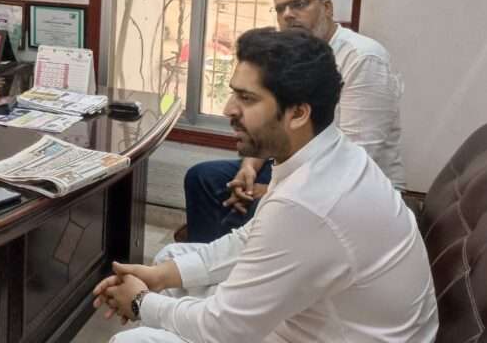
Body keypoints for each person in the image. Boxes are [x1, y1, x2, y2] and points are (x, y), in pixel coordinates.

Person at [93, 28, 437, 342]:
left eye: (247, 98)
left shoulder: (308, 203)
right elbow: (251, 239)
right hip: (323, 321)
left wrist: (140, 302)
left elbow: (223, 329)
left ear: (298, 114)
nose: (228, 109)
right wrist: (161, 277)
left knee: (132, 341)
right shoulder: (329, 153)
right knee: (170, 261)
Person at [181, 0, 405, 243]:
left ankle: (236, 261)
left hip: (352, 187)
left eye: (299, 4)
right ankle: (206, 260)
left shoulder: (364, 58)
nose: (287, 15)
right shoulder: (290, 56)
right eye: (280, 8)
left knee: (253, 208)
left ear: (327, 8)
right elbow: (272, 123)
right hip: (297, 164)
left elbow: (357, 156)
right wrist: (249, 169)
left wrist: (274, 192)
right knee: (204, 178)